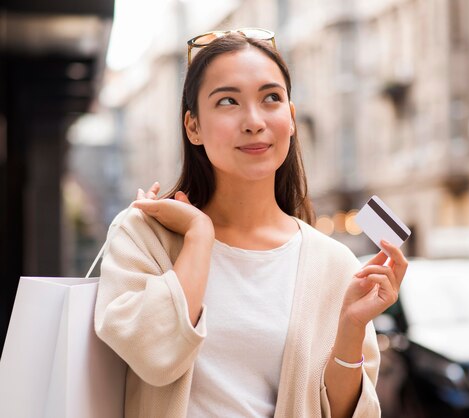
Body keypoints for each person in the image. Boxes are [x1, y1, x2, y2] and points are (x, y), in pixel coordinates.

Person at [94, 28, 408, 418]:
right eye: (228, 101)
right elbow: (155, 357)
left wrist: (350, 328)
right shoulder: (144, 238)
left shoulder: (334, 263)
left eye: (271, 98)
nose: (254, 121)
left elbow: (348, 413)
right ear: (193, 126)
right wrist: (198, 237)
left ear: (290, 119)